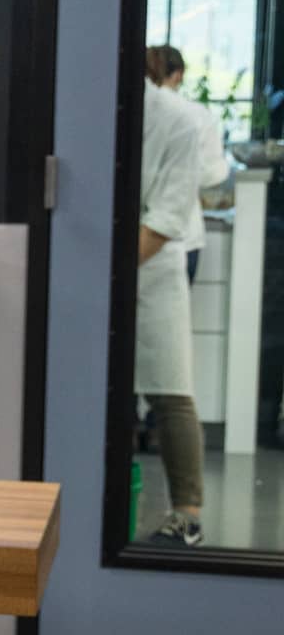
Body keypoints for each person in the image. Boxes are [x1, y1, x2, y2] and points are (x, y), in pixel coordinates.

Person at [138, 69, 209, 547]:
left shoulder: (179, 118)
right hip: (94, 266)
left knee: (170, 388)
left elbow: (164, 218)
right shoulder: (82, 102)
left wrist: (105, 276)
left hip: (153, 266)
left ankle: (187, 515)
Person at [145, 45, 231, 284]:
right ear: (179, 74)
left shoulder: (136, 110)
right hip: (182, 233)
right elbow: (214, 175)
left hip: (139, 232)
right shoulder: (194, 114)